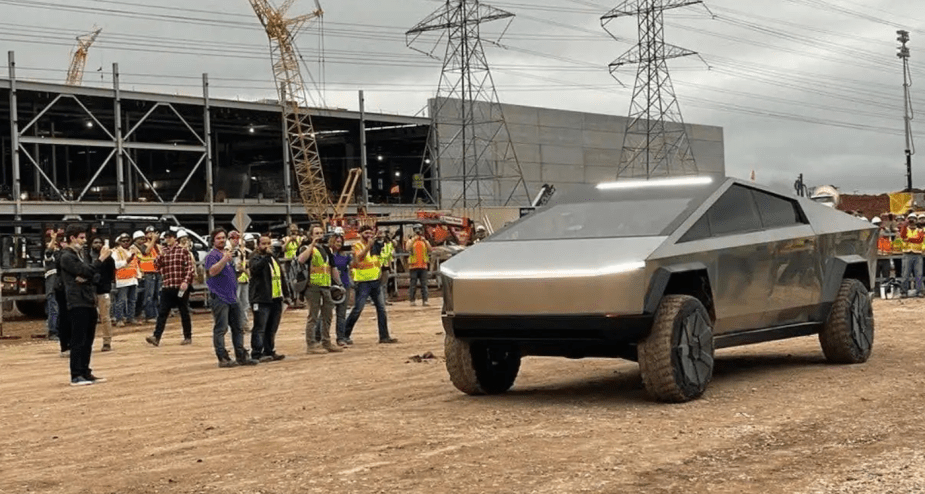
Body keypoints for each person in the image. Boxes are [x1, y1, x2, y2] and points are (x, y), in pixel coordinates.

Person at [59, 224, 110, 386]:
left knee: (88, 340)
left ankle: (85, 371)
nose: (83, 241)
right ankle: (76, 374)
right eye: (81, 238)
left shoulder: (82, 255)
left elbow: (93, 275)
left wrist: (86, 275)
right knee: (78, 339)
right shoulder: (66, 256)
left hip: (89, 300)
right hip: (76, 301)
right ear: (72, 238)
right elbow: (87, 271)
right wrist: (99, 260)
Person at [204, 228, 258, 367]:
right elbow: (212, 271)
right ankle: (223, 358)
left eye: (223, 238)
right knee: (221, 328)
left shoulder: (228, 255)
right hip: (220, 297)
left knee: (238, 327)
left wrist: (240, 269)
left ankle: (241, 356)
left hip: (232, 296)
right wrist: (224, 260)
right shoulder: (213, 255)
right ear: (213, 241)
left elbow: (232, 275)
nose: (221, 240)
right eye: (218, 238)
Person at [344, 225, 398, 344]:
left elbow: (379, 259)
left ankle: (384, 336)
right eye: (366, 233)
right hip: (363, 282)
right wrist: (369, 245)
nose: (369, 235)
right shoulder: (357, 245)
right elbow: (359, 258)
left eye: (370, 233)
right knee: (358, 308)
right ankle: (344, 334)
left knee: (381, 309)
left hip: (375, 281)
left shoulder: (376, 246)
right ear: (361, 234)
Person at [298, 225, 344, 353]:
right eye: (316, 233)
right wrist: (312, 245)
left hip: (326, 286)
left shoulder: (326, 249)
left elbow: (332, 268)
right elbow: (301, 260)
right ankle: (311, 344)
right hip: (312, 286)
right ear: (311, 235)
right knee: (313, 316)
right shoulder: (306, 248)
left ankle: (326, 341)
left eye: (321, 233)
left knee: (327, 315)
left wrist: (339, 284)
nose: (319, 235)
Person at [145, 230, 194, 347]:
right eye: (166, 237)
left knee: (184, 312)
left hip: (180, 286)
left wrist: (186, 281)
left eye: (170, 237)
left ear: (175, 238)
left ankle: (187, 336)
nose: (167, 239)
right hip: (167, 286)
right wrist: (161, 255)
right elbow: (156, 265)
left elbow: (189, 268)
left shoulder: (183, 251)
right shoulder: (164, 252)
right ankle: (156, 337)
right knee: (162, 312)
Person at [249, 233, 289, 362]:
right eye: (264, 244)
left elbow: (280, 276)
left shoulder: (273, 258)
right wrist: (266, 256)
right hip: (261, 298)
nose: (267, 246)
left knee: (272, 327)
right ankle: (256, 352)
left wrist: (286, 293)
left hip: (275, 297)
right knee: (260, 327)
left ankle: (269, 350)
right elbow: (255, 269)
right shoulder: (255, 257)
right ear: (258, 245)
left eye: (268, 244)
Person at [90, 237, 116, 351]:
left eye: (100, 242)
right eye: (95, 242)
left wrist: (107, 287)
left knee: (105, 317)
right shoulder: (87, 257)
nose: (98, 244)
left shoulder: (109, 259)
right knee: (89, 319)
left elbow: (112, 275)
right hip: (89, 291)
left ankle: (107, 342)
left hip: (103, 290)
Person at [111, 233, 140, 327]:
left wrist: (138, 275)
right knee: (121, 301)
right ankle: (119, 319)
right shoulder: (116, 252)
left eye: (127, 241)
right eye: (123, 241)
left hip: (133, 278)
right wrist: (126, 261)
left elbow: (135, 264)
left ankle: (130, 317)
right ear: (119, 242)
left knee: (132, 300)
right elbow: (115, 265)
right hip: (122, 280)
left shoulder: (133, 251)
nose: (126, 243)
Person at [136, 227, 162, 323]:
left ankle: (155, 314)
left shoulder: (157, 246)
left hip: (156, 272)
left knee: (156, 294)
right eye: (149, 233)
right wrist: (153, 241)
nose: (152, 235)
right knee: (149, 295)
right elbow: (146, 251)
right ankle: (149, 315)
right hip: (147, 273)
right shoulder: (143, 245)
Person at [229, 231, 252, 331]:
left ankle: (244, 323)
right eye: (233, 238)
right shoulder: (231, 251)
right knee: (236, 304)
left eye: (237, 238)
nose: (236, 240)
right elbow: (236, 267)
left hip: (244, 279)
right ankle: (237, 325)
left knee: (245, 303)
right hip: (236, 279)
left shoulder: (242, 250)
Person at [43, 229, 62, 341]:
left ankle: (58, 330)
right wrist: (53, 239)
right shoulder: (48, 258)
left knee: (59, 310)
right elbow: (49, 251)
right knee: (54, 310)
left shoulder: (59, 255)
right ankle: (52, 331)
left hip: (59, 287)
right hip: (52, 287)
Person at [406, 227, 432, 307]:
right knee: (413, 284)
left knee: (424, 285)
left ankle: (425, 300)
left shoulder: (424, 241)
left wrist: (425, 241)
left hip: (423, 266)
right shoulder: (411, 241)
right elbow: (407, 248)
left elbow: (430, 249)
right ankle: (412, 300)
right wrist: (414, 239)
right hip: (413, 266)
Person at [900, 214, 925, 297]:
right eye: (910, 219)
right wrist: (905, 223)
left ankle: (920, 291)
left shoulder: (920, 230)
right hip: (907, 253)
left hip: (917, 253)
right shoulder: (905, 229)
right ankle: (904, 292)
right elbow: (903, 236)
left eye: (913, 219)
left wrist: (909, 239)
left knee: (919, 274)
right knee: (905, 274)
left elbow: (919, 240)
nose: (912, 221)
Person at [378, 230, 396, 304]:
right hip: (378, 266)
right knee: (378, 285)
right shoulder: (376, 245)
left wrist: (390, 268)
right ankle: (378, 300)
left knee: (383, 285)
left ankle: (384, 300)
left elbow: (389, 257)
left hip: (384, 266)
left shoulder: (388, 246)